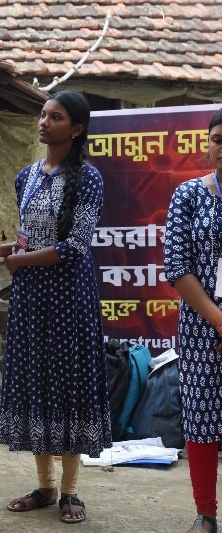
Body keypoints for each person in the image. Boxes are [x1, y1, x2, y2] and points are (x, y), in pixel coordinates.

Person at [0, 90, 111, 525]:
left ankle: (71, 492)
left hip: (70, 299)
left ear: (76, 129)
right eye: (42, 114)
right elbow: (27, 238)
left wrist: (17, 261)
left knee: (69, 387)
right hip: (32, 300)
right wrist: (1, 250)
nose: (43, 122)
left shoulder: (88, 178)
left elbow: (74, 247)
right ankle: (44, 486)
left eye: (55, 117)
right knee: (37, 384)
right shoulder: (26, 176)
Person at [164, 107, 222, 533]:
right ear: (208, 144)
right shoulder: (188, 195)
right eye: (217, 138)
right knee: (202, 416)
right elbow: (176, 267)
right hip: (202, 323)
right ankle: (206, 514)